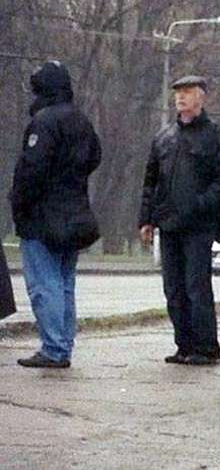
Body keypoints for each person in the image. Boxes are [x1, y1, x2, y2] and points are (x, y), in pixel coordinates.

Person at [10, 60, 102, 368]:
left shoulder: (44, 122)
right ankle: (63, 345)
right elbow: (95, 156)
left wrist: (18, 203)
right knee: (64, 284)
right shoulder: (80, 120)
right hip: (74, 212)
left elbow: (32, 169)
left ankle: (53, 348)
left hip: (42, 217)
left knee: (43, 285)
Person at [139, 75, 220, 366]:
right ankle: (184, 344)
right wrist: (146, 219)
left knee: (197, 287)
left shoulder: (216, 137)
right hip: (169, 223)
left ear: (201, 97)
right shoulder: (164, 138)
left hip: (199, 225)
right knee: (173, 288)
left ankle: (206, 347)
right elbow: (151, 182)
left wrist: (200, 204)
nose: (181, 97)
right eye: (178, 93)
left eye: (188, 92)